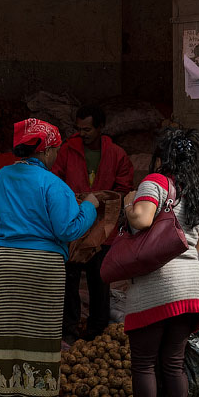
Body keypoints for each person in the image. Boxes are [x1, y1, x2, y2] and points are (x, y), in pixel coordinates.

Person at [0, 118, 98, 397]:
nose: (57, 156)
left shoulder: (3, 176)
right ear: (47, 149)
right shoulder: (53, 185)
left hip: (7, 260)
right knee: (41, 335)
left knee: (7, 331)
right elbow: (69, 228)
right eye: (56, 150)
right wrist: (89, 206)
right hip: (43, 264)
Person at [118, 128, 199, 397]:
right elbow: (197, 243)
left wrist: (129, 202)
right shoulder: (197, 191)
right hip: (192, 286)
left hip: (158, 285)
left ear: (161, 157)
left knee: (144, 364)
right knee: (173, 365)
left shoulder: (155, 181)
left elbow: (141, 219)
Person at [52, 105, 134, 343]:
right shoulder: (67, 150)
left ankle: (97, 333)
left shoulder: (117, 154)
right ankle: (69, 330)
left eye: (87, 129)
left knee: (100, 282)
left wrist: (101, 200)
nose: (82, 133)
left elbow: (123, 188)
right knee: (69, 280)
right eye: (79, 129)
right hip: (73, 224)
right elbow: (56, 180)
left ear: (100, 127)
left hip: (102, 229)